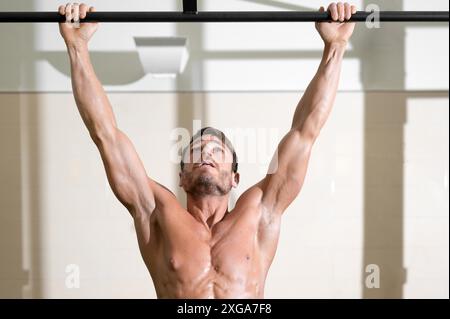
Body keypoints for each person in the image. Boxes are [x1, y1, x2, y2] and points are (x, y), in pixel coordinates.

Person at [58, 2, 357, 298]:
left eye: (217, 150)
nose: (206, 153)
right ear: (181, 177)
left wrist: (336, 46)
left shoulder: (259, 212)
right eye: (197, 150)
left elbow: (306, 131)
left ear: (235, 178)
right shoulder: (157, 212)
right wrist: (77, 48)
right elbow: (105, 135)